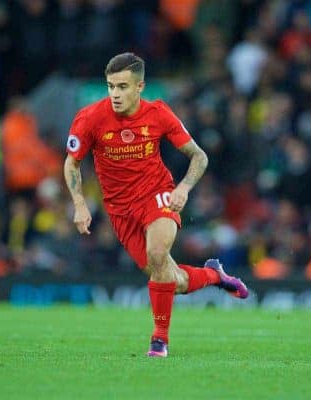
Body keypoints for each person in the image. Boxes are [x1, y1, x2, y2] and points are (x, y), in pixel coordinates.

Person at [63, 53, 249, 358]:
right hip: (119, 209)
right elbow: (72, 164)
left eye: (123, 86)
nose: (115, 94)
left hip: (157, 194)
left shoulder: (159, 113)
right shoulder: (90, 118)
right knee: (169, 279)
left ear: (140, 87)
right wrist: (80, 204)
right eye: (110, 86)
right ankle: (215, 275)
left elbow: (199, 156)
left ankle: (159, 339)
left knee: (158, 254)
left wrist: (184, 188)